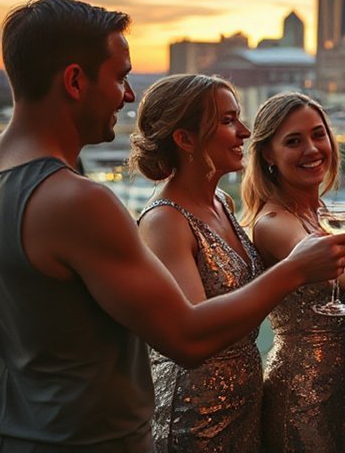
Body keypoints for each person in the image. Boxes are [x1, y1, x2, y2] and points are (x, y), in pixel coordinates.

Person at [0, 0, 345, 451]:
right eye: (120, 77)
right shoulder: (79, 201)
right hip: (88, 439)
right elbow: (186, 338)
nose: (130, 95)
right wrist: (296, 269)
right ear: (75, 81)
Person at [129, 74, 267, 451]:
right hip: (195, 414)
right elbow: (195, 332)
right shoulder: (164, 221)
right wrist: (292, 273)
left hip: (243, 404)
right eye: (227, 121)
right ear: (185, 139)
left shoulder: (222, 201)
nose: (245, 131)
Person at [240, 92, 345, 452]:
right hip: (303, 391)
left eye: (318, 135)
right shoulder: (274, 222)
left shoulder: (321, 213)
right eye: (293, 141)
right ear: (268, 154)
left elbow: (322, 297)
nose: (312, 149)